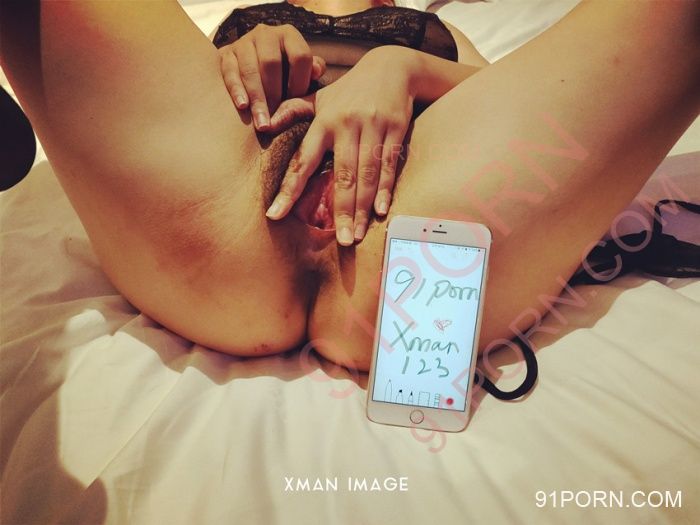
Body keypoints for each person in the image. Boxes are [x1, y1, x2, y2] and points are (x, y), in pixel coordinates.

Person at [0, 1, 697, 372]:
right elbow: (168, 98)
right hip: (230, 199)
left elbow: (513, 96)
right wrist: (235, 57)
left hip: (417, 213)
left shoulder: (435, 28)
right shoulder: (244, 19)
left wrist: (406, 67)